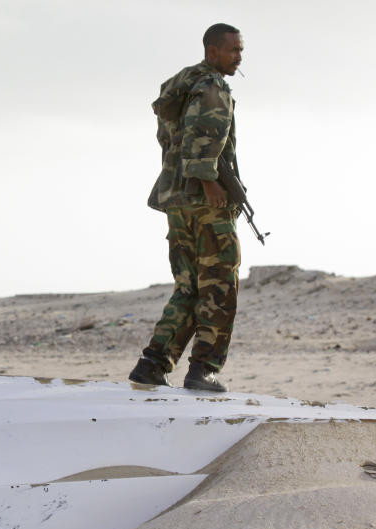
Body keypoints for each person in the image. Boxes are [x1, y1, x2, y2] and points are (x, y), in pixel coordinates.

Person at [128, 23, 245, 393]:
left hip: (177, 200)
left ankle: (152, 363)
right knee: (220, 286)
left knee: (189, 287)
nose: (239, 57)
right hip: (205, 201)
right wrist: (209, 181)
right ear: (213, 51)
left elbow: (170, 137)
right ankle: (204, 369)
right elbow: (201, 134)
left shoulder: (180, 86)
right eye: (234, 50)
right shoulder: (212, 86)